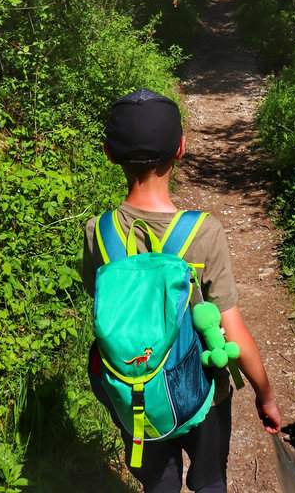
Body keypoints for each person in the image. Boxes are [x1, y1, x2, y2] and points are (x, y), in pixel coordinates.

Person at [83, 89, 282, 493]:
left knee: (159, 482)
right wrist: (265, 393)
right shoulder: (203, 231)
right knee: (209, 480)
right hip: (204, 391)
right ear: (181, 148)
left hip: (134, 388)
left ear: (108, 152)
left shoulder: (98, 232)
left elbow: (105, 306)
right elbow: (233, 331)